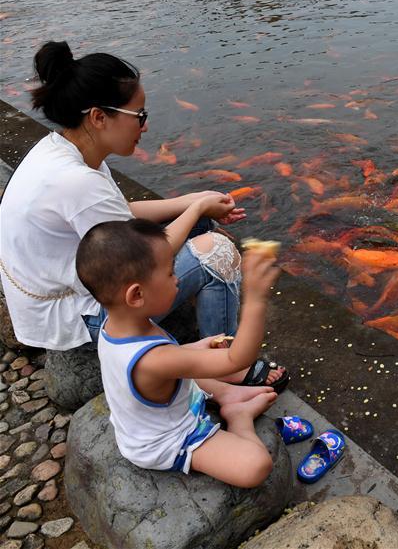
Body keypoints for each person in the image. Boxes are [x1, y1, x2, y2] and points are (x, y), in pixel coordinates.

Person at [0, 40, 286, 394]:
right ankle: (220, 368)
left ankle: (202, 331)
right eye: (140, 116)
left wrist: (190, 201)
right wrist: (196, 207)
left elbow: (121, 214)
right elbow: (140, 255)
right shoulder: (77, 182)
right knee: (218, 253)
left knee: (194, 224)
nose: (145, 127)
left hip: (68, 285)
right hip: (78, 318)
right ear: (99, 117)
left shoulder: (64, 150)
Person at [77, 219, 279, 487]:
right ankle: (239, 417)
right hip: (167, 440)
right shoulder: (156, 361)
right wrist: (255, 299)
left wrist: (195, 348)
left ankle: (228, 395)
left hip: (148, 415)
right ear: (136, 295)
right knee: (256, 465)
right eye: (171, 273)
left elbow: (169, 359)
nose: (177, 280)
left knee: (190, 366)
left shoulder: (113, 325)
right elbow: (236, 360)